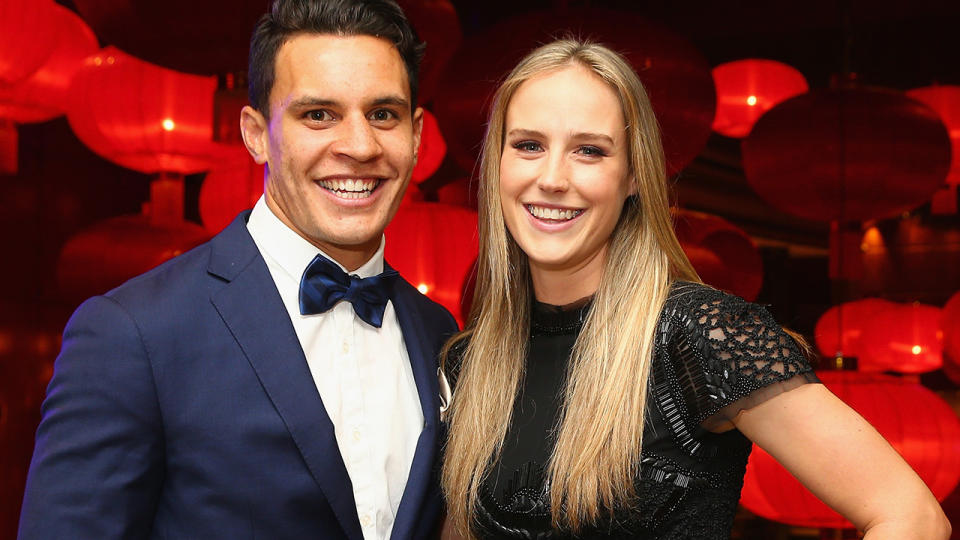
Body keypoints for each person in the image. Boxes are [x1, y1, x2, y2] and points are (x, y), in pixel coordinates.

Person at [440, 39, 951, 539]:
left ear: (635, 175)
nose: (551, 178)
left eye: (589, 151)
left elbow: (912, 518)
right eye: (528, 145)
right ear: (497, 165)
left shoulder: (701, 334)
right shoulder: (471, 362)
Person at [18, 1, 457, 539]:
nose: (360, 145)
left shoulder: (440, 334)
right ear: (254, 133)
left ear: (414, 136)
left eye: (383, 115)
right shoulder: (133, 332)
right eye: (318, 114)